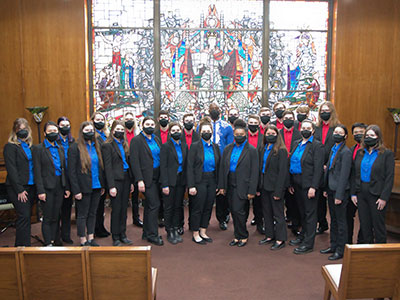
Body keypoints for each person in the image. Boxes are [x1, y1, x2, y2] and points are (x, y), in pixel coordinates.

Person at [219, 119, 258, 247]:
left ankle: (243, 236)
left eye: (241, 135)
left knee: (239, 210)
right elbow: (223, 168)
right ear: (234, 135)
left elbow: (254, 172)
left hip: (244, 184)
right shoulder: (227, 149)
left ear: (245, 135)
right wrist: (222, 186)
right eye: (237, 135)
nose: (239, 137)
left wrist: (252, 190)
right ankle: (237, 235)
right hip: (230, 183)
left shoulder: (252, 150)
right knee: (234, 211)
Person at [352, 125, 395, 244]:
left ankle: (381, 254)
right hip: (361, 193)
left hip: (377, 194)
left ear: (378, 137)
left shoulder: (386, 154)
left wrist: (384, 198)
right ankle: (367, 253)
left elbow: (389, 178)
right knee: (365, 225)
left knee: (378, 226)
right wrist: (354, 193)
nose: (368, 138)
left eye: (372, 135)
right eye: (367, 136)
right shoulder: (361, 153)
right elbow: (355, 174)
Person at [288, 119, 324, 254]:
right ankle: (302, 236)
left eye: (308, 128)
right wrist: (291, 183)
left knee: (310, 214)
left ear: (313, 130)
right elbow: (292, 163)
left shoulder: (317, 146)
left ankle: (308, 243)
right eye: (303, 127)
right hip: (297, 183)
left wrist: (314, 187)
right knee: (302, 212)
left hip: (309, 185)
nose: (305, 130)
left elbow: (318, 169)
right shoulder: (296, 143)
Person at [33, 121, 70, 246]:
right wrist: (40, 191)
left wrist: (66, 187)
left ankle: (55, 240)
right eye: (50, 131)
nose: (53, 133)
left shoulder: (59, 148)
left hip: (59, 186)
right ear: (44, 133)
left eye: (55, 131)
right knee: (48, 217)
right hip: (46, 187)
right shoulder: (38, 149)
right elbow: (37, 171)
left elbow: (63, 168)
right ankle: (48, 242)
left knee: (56, 215)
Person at [68, 121, 105, 246]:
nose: (90, 132)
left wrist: (102, 185)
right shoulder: (75, 147)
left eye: (91, 130)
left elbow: (100, 167)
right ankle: (83, 239)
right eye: (87, 130)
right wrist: (76, 190)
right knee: (82, 214)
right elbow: (71, 172)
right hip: (83, 187)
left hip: (96, 185)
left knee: (93, 213)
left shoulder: (96, 146)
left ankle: (90, 237)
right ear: (81, 132)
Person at [320, 124, 352, 260]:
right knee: (333, 219)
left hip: (340, 192)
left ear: (345, 136)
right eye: (335, 132)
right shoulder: (333, 149)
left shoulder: (346, 152)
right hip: (331, 189)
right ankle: (333, 245)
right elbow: (329, 170)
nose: (337, 134)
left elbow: (344, 175)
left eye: (340, 133)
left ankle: (341, 249)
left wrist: (339, 195)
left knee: (341, 222)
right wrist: (326, 188)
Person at [130, 117, 164, 246]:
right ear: (142, 125)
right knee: (154, 205)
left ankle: (146, 232)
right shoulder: (136, 141)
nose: (150, 126)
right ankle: (153, 235)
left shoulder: (156, 139)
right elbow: (134, 162)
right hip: (145, 178)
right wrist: (139, 180)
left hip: (157, 176)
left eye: (152, 124)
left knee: (150, 205)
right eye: (147, 124)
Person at [4, 118, 36, 246]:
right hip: (18, 188)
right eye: (20, 129)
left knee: (27, 216)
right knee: (24, 216)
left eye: (25, 129)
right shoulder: (10, 147)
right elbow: (11, 170)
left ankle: (25, 245)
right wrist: (19, 190)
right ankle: (21, 247)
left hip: (31, 185)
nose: (23, 131)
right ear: (15, 131)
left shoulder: (30, 146)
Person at [187, 119, 220, 245]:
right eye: (204, 131)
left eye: (209, 131)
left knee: (208, 207)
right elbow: (189, 167)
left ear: (212, 132)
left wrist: (218, 183)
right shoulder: (195, 146)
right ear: (200, 133)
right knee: (198, 207)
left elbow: (219, 165)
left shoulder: (215, 147)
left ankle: (203, 230)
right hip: (199, 180)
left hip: (212, 180)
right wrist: (191, 185)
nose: (207, 133)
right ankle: (195, 232)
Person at [101, 120, 134, 246]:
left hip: (126, 178)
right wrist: (111, 186)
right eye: (117, 129)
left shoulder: (125, 144)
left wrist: (131, 182)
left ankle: (123, 234)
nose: (120, 131)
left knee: (124, 209)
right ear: (112, 130)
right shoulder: (107, 145)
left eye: (122, 129)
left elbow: (128, 164)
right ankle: (115, 236)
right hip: (115, 180)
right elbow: (107, 167)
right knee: (116, 209)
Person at [258, 124, 288, 250]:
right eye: (268, 134)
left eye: (273, 134)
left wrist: (278, 191)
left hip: (276, 187)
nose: (270, 136)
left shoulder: (281, 150)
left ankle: (280, 239)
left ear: (277, 135)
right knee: (267, 212)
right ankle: (269, 235)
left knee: (278, 214)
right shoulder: (263, 148)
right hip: (264, 186)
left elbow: (283, 172)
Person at [314, 101, 340, 234]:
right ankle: (322, 223)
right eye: (322, 111)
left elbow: (338, 149)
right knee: (318, 199)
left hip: (331, 167)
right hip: (318, 167)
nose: (324, 113)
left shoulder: (337, 128)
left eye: (326, 110)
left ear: (332, 112)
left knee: (328, 197)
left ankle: (333, 227)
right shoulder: (316, 127)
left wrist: (328, 164)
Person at [160, 122, 188, 244]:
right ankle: (169, 230)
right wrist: (164, 184)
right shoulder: (165, 147)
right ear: (170, 133)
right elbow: (163, 167)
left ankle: (176, 228)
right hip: (169, 181)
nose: (176, 132)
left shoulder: (184, 145)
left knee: (178, 206)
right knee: (169, 207)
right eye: (173, 131)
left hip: (181, 180)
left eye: (178, 130)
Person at [208, 103, 234, 231]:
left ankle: (222, 217)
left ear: (220, 111)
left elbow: (230, 146)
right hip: (207, 162)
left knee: (222, 191)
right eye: (212, 109)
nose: (214, 111)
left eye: (216, 109)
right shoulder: (202, 127)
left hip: (222, 163)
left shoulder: (227, 127)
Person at [280, 110, 302, 235]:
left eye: (290, 118)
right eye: (286, 118)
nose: (288, 120)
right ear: (282, 120)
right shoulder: (278, 134)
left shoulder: (299, 135)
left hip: (294, 169)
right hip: (281, 169)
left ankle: (295, 224)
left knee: (294, 199)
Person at [179, 113, 200, 235]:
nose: (189, 122)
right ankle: (180, 224)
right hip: (181, 172)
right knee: (179, 201)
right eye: (186, 120)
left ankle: (193, 224)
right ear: (183, 122)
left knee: (194, 200)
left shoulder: (198, 136)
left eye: (191, 120)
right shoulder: (178, 135)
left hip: (194, 172)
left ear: (194, 122)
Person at [56, 116, 75, 245]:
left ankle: (66, 234)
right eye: (62, 125)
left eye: (67, 125)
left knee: (67, 209)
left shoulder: (72, 142)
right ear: (58, 127)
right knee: (57, 209)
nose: (65, 127)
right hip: (57, 179)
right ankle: (56, 236)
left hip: (70, 178)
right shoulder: (54, 142)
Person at [347, 122, 367, 244]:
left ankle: (361, 243)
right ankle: (347, 243)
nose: (358, 135)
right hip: (351, 189)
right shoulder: (351, 149)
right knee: (348, 217)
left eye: (361, 133)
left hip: (364, 189)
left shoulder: (370, 151)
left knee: (364, 219)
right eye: (355, 133)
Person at [92, 112, 111, 238]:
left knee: (101, 203)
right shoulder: (93, 136)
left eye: (101, 119)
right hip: (98, 172)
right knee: (96, 204)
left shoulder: (106, 135)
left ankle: (100, 226)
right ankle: (95, 228)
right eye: (97, 119)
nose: (100, 121)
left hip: (107, 172)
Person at [124, 111, 143, 228]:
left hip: (135, 166)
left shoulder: (137, 134)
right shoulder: (121, 134)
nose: (129, 121)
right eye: (127, 119)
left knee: (135, 195)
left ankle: (136, 218)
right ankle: (123, 221)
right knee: (124, 196)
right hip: (124, 167)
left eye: (131, 119)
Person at [247, 114, 264, 234]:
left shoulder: (264, 138)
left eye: (255, 123)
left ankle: (259, 222)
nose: (253, 125)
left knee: (259, 201)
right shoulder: (242, 137)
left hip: (259, 172)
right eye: (250, 123)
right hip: (244, 173)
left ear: (259, 124)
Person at [154, 110, 170, 227]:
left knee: (169, 195)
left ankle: (167, 216)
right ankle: (160, 217)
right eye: (161, 117)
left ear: (168, 119)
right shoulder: (154, 135)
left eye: (166, 117)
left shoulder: (173, 133)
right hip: (157, 168)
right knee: (159, 193)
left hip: (170, 167)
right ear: (158, 119)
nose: (163, 119)